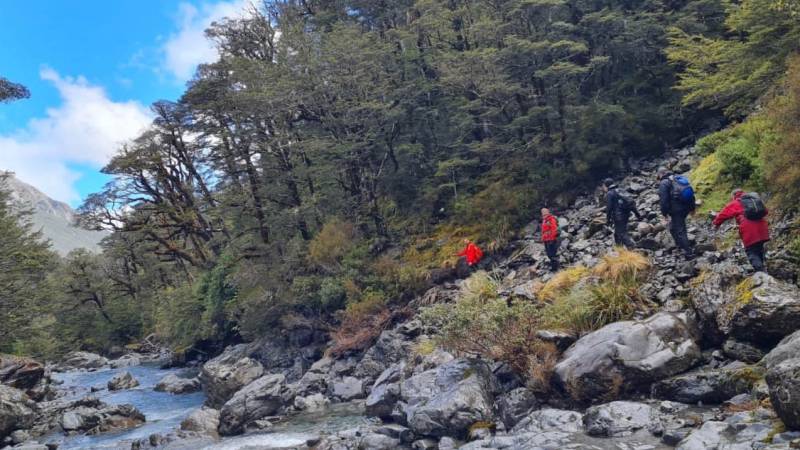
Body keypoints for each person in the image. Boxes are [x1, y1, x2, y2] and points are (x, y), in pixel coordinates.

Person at [713, 189, 770, 272]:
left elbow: (723, 214)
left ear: (733, 196)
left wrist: (716, 224)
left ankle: (762, 274)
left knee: (751, 251)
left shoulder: (736, 202)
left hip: (749, 229)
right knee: (759, 248)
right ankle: (762, 269)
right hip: (762, 227)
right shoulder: (753, 199)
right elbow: (766, 211)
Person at [658, 168, 696, 260]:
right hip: (686, 207)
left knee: (680, 230)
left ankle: (689, 253)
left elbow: (664, 201)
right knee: (672, 227)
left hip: (677, 210)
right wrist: (692, 208)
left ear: (661, 174)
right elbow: (690, 194)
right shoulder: (678, 178)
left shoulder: (664, 183)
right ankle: (680, 245)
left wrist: (664, 214)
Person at [603, 178, 642, 249]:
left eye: (604, 186)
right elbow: (631, 202)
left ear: (606, 186)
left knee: (621, 233)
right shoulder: (621, 190)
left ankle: (632, 247)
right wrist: (637, 214)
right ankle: (619, 249)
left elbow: (609, 208)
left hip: (618, 216)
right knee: (617, 233)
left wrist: (608, 220)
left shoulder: (610, 193)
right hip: (626, 214)